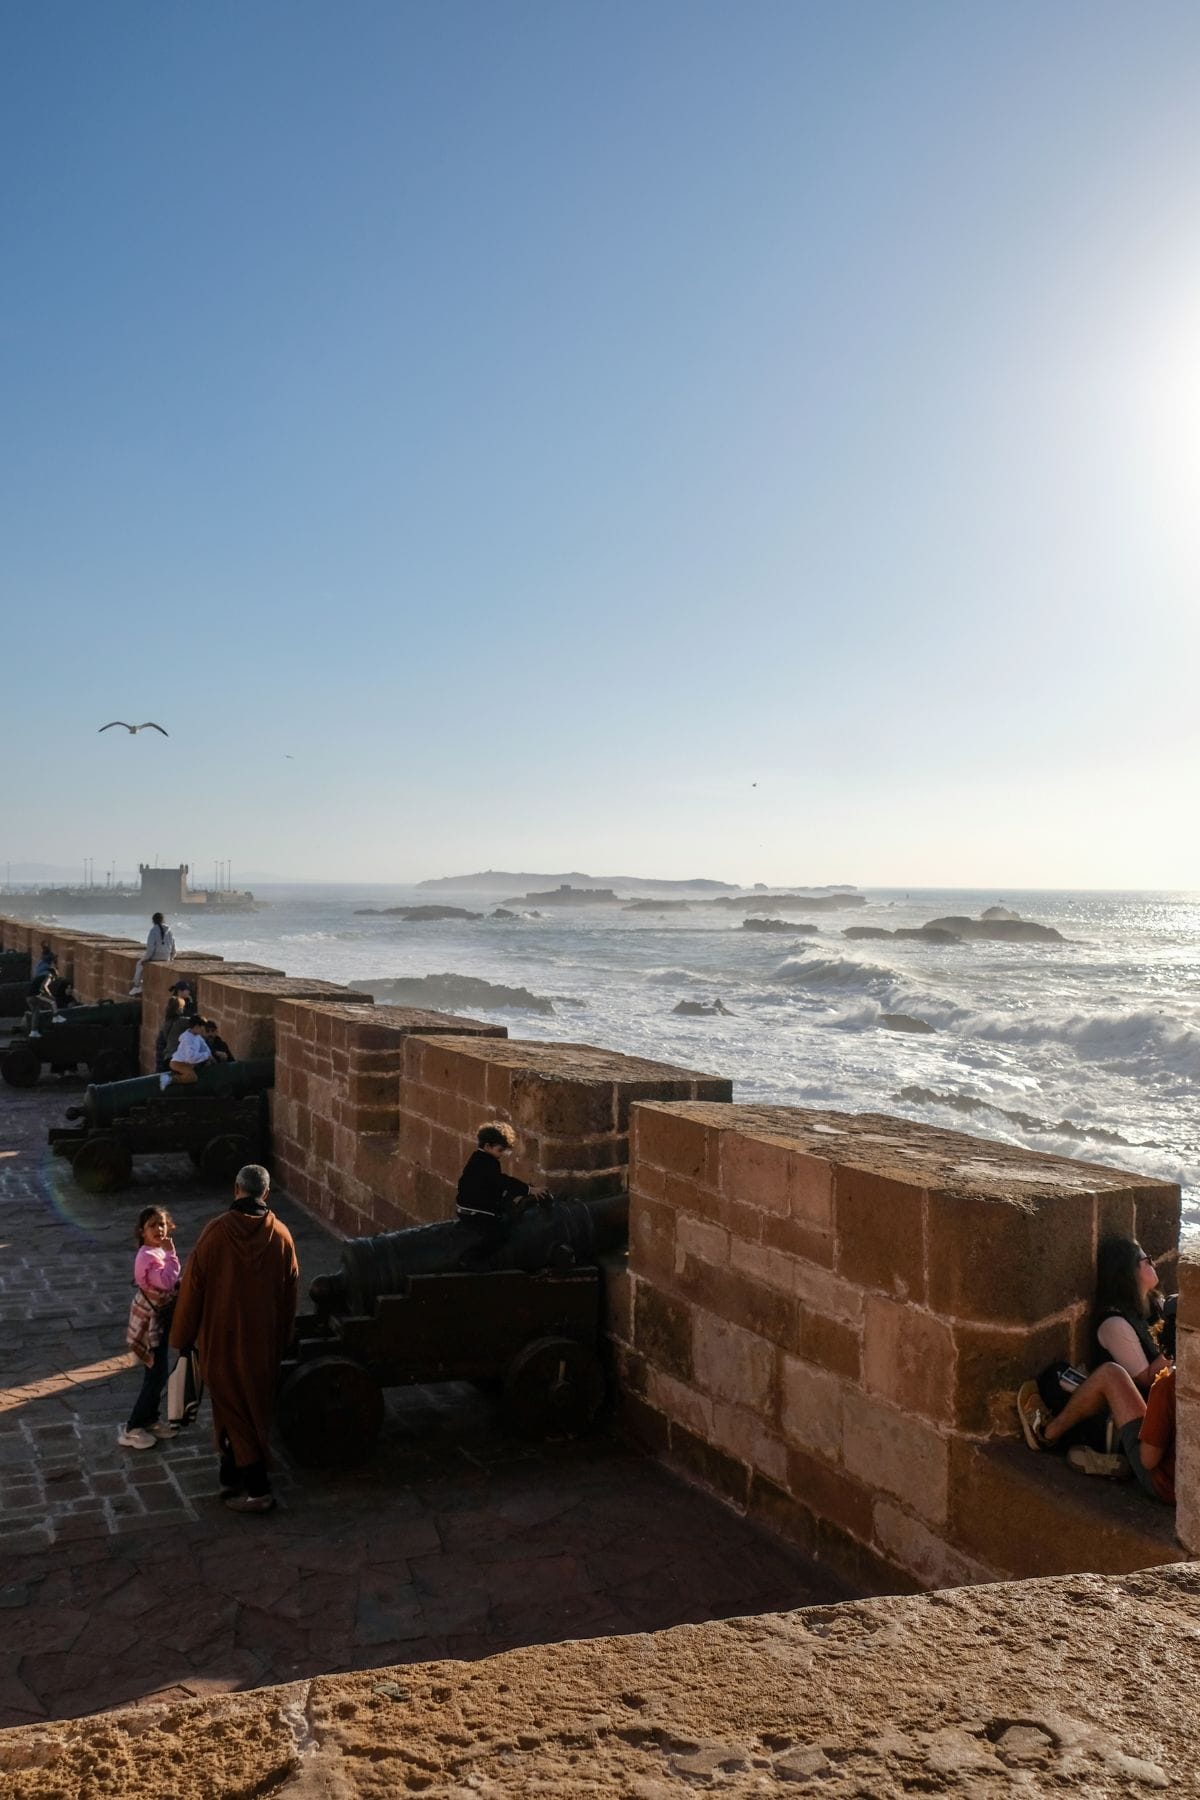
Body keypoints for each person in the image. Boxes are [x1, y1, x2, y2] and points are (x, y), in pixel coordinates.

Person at [170, 1164, 299, 1512]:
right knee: (249, 1408)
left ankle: (258, 1489)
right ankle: (232, 1476)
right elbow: (290, 1293)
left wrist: (182, 1335)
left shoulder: (216, 1233)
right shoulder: (282, 1236)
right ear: (266, 1194)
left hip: (221, 1341)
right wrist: (285, 1337)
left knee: (233, 1410)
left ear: (236, 1189)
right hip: (263, 1344)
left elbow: (193, 1288)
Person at [1017, 1362, 1176, 1502]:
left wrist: (1153, 1419)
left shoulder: (1170, 1384)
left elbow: (1149, 1460)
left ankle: (1045, 1434)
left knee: (1110, 1374)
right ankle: (1119, 1458)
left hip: (1165, 1484)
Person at [119, 1207, 182, 1451]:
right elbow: (165, 1281)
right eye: (153, 1225)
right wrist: (172, 1255)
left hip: (159, 1319)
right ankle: (132, 1427)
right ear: (142, 1231)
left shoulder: (156, 1251)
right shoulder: (148, 1256)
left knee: (159, 1372)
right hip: (149, 1322)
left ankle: (151, 1419)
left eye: (162, 1224)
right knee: (154, 1376)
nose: (159, 1229)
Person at [1090, 1236, 1170, 1393]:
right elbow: (1146, 1380)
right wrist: (1176, 1346)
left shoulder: (1155, 1302)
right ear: (1129, 1271)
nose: (1153, 1264)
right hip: (1144, 1405)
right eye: (1147, 1261)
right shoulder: (1115, 1324)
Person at [456, 1122, 547, 1242]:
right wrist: (529, 1190)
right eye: (500, 1150)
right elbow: (502, 1181)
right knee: (502, 1236)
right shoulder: (488, 1162)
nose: (501, 1154)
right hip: (477, 1212)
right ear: (487, 1146)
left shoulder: (477, 1157)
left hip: (463, 1206)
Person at [130, 912, 176, 994]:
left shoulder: (153, 930)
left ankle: (137, 985)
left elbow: (151, 948)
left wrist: (146, 958)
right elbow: (173, 947)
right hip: (166, 957)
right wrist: (171, 957)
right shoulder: (170, 931)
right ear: (163, 920)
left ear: (153, 921)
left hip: (156, 956)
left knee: (139, 964)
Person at [167, 1015, 212, 1085]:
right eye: (202, 1028)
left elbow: (205, 1047)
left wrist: (209, 1055)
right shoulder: (187, 1039)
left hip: (188, 1064)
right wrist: (206, 1055)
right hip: (178, 1063)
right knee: (192, 1077)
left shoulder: (197, 1036)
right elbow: (190, 1058)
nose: (203, 1031)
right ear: (197, 1026)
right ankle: (169, 1080)